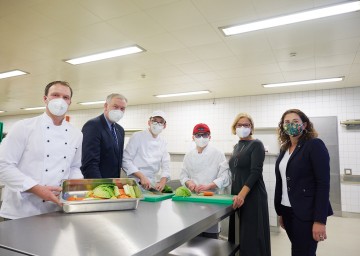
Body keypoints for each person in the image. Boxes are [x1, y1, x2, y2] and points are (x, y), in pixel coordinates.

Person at [0, 81, 83, 219]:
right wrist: (36, 189)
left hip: (56, 209)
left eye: (65, 97)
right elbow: (3, 165)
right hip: (21, 211)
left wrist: (78, 187)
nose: (60, 100)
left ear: (70, 102)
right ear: (45, 99)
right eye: (55, 95)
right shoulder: (24, 127)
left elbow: (74, 167)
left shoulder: (76, 134)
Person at [274, 109, 333, 256]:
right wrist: (281, 213)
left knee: (302, 252)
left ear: (304, 125)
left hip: (306, 212)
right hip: (287, 211)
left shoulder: (314, 145)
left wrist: (320, 220)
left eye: (295, 122)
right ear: (282, 126)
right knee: (298, 249)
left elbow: (323, 184)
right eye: (287, 122)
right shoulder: (284, 149)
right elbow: (283, 181)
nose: (291, 125)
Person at [228, 113, 271, 256]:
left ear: (251, 127)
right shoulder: (236, 146)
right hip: (237, 195)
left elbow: (255, 172)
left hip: (252, 195)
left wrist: (242, 195)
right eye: (239, 125)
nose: (243, 127)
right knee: (240, 235)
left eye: (246, 125)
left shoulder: (256, 144)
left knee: (252, 236)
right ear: (235, 128)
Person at [180, 123, 230, 239]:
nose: (201, 138)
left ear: (210, 137)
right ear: (193, 137)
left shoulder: (218, 153)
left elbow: (225, 177)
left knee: (210, 237)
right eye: (198, 135)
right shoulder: (189, 155)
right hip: (192, 201)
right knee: (192, 236)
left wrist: (209, 186)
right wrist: (189, 183)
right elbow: (183, 175)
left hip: (211, 201)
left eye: (205, 135)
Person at [81, 93, 127, 178]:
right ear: (106, 106)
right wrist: (101, 186)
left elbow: (118, 159)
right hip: (98, 183)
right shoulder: (93, 126)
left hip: (113, 181)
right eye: (115, 107)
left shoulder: (120, 130)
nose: (119, 111)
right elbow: (90, 163)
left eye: (122, 109)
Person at [122, 110, 170, 191]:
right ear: (149, 122)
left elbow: (166, 164)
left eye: (161, 122)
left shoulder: (163, 142)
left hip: (152, 184)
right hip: (136, 183)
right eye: (154, 121)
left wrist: (162, 181)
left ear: (164, 126)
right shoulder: (137, 136)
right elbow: (125, 160)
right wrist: (141, 176)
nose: (157, 124)